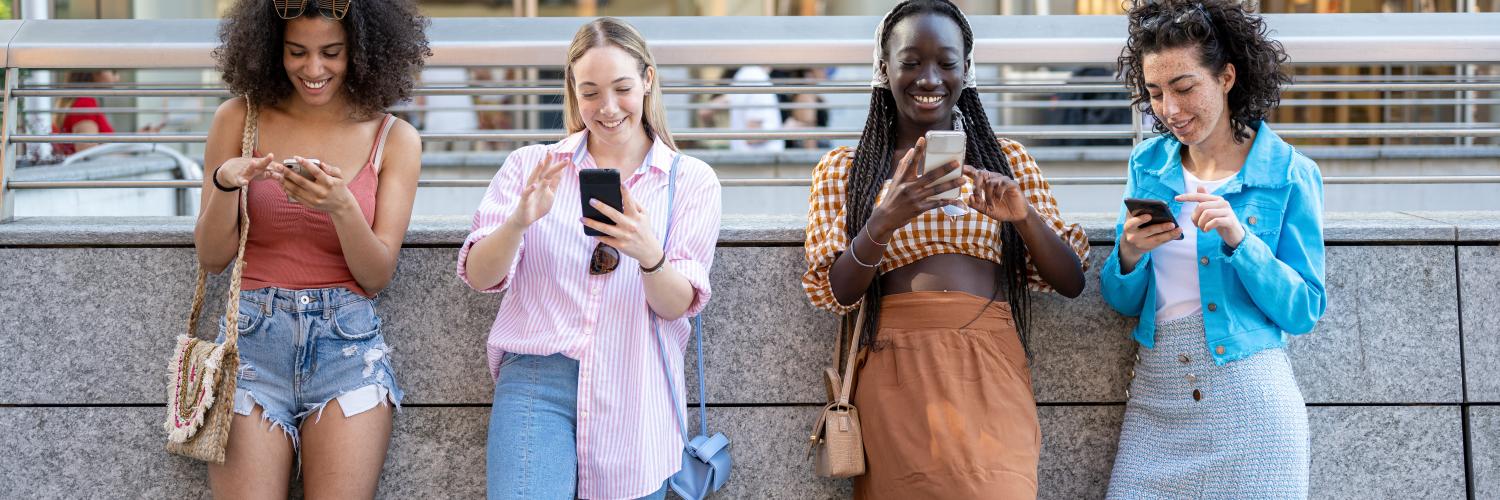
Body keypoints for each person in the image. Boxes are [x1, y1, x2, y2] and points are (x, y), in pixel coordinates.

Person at [800, 1, 1089, 498]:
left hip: (990, 365)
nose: (929, 78)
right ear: (883, 69)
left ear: (966, 69)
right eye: (910, 62)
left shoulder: (1008, 160)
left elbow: (1071, 281)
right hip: (894, 370)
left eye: (946, 63)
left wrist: (1023, 215)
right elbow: (835, 292)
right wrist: (884, 219)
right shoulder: (846, 170)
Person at [457, 17, 722, 500]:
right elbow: (479, 275)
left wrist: (648, 254)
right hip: (537, 383)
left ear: (647, 80)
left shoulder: (690, 180)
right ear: (573, 92)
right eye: (591, 92)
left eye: (622, 88)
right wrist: (518, 220)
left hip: (634, 389)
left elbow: (676, 304)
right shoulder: (529, 166)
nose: (608, 107)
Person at [192, 0, 428, 497]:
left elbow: (376, 275)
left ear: (361, 53)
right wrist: (225, 184)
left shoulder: (395, 138)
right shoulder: (238, 119)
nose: (314, 69)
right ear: (272, 49)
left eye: (332, 53)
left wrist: (341, 206)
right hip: (251, 345)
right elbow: (213, 258)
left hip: (348, 350)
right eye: (297, 52)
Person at [1101, 0, 1327, 497]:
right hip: (1156, 405)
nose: (1171, 111)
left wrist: (1241, 242)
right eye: (1156, 93)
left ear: (1226, 77)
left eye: (1184, 88)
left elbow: (1304, 309)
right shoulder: (1148, 164)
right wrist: (1129, 255)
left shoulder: (1290, 174)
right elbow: (1120, 300)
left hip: (1253, 415)